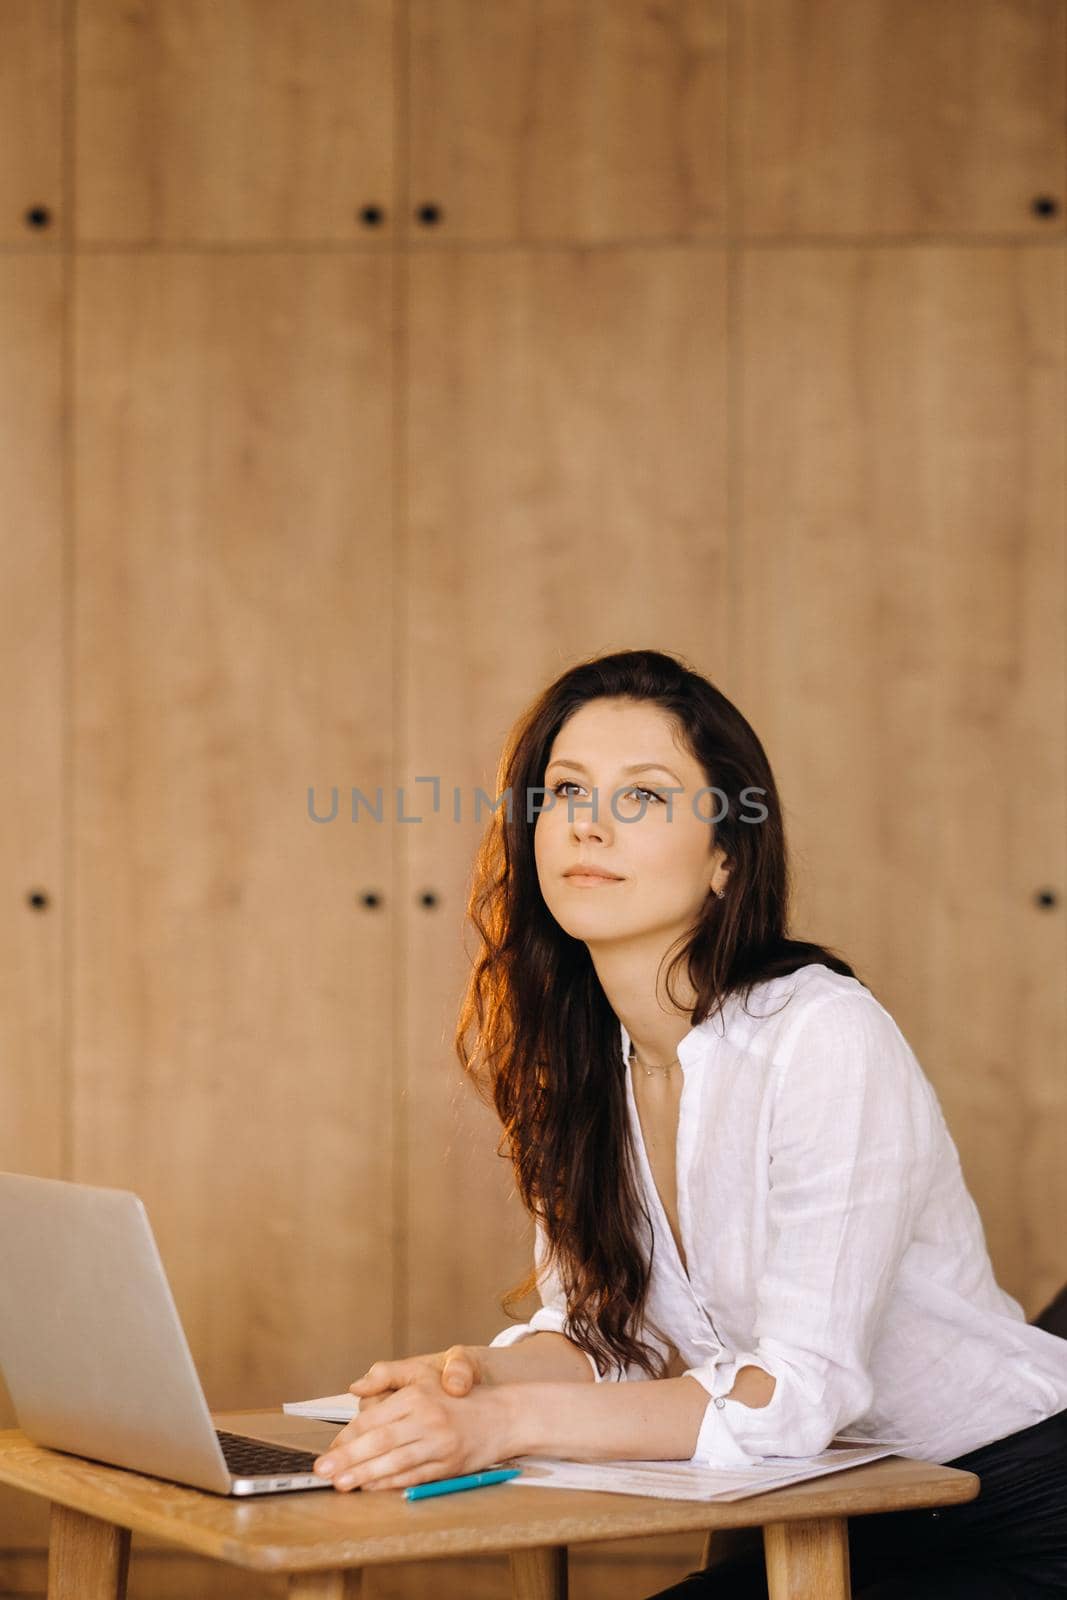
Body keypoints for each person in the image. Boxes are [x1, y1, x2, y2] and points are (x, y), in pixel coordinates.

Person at [311, 649, 1067, 1596]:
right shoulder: (578, 1058)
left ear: (724, 857)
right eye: (565, 791)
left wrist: (500, 1427)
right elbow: (605, 1338)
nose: (588, 822)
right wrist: (466, 1383)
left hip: (1002, 1508)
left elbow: (793, 1396)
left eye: (644, 797)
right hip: (801, 1509)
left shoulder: (821, 1034)